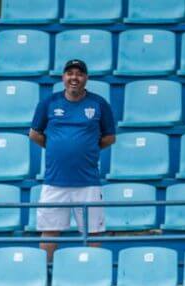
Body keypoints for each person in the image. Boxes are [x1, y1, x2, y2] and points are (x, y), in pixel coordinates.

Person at [29, 59, 115, 259]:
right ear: (63, 77)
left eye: (79, 74)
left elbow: (109, 137)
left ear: (86, 78)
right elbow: (34, 134)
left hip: (88, 182)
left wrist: (88, 149)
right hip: (54, 181)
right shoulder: (48, 103)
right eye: (70, 73)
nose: (74, 78)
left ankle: (94, 278)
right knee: (49, 232)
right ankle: (46, 277)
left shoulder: (99, 103)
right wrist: (55, 147)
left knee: (93, 234)